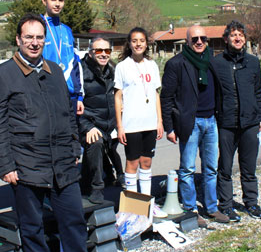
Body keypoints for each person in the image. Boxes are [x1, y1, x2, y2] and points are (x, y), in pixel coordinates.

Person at [0, 13, 93, 252]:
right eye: (29, 37)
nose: (34, 43)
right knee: (33, 228)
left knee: (74, 221)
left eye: (39, 38)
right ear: (18, 39)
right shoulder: (2, 75)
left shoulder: (54, 71)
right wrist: (4, 165)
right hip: (26, 165)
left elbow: (67, 114)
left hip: (63, 164)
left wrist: (74, 146)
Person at [161, 25, 229, 225]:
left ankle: (211, 208)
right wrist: (169, 128)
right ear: (187, 41)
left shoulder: (212, 61)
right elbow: (166, 97)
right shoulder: (176, 64)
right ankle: (191, 209)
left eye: (203, 38)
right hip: (189, 123)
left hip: (211, 121)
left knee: (210, 168)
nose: (200, 42)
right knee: (188, 169)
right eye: (195, 39)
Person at [212, 20, 261, 222]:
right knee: (225, 167)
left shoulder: (252, 62)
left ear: (244, 39)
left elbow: (258, 92)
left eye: (241, 35)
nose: (237, 38)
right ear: (226, 39)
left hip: (250, 123)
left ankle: (251, 203)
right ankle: (225, 205)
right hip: (226, 123)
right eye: (233, 35)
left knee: (249, 167)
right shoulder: (216, 63)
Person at [115, 27, 167, 218]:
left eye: (142, 40)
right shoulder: (122, 67)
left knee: (146, 163)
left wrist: (159, 121)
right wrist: (120, 126)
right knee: (132, 164)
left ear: (147, 44)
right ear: (129, 44)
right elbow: (118, 97)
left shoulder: (152, 65)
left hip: (150, 123)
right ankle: (132, 208)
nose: (138, 44)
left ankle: (148, 205)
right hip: (131, 124)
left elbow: (155, 94)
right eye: (134, 40)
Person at [79, 37, 119, 204]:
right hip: (87, 124)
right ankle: (96, 187)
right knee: (95, 143)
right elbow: (73, 104)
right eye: (98, 51)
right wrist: (87, 127)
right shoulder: (80, 71)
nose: (103, 54)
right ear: (90, 52)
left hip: (109, 123)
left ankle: (123, 179)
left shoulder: (112, 69)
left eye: (107, 50)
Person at [40, 0, 84, 116]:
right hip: (47, 95)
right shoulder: (38, 27)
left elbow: (76, 63)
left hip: (70, 97)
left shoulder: (66, 30)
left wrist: (80, 96)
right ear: (44, 1)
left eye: (61, 0)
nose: (57, 4)